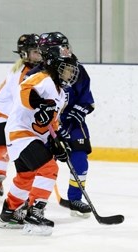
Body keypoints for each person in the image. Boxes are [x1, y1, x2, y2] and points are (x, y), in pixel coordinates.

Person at [0, 44, 80, 236]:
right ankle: (35, 211)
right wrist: (40, 104)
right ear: (54, 65)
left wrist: (57, 140)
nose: (70, 72)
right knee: (49, 169)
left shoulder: (60, 92)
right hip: (21, 133)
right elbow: (24, 90)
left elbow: (52, 120)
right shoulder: (43, 79)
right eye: (66, 67)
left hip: (31, 136)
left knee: (26, 176)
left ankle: (9, 213)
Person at [34, 32, 94, 218]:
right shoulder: (36, 76)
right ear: (50, 53)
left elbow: (87, 101)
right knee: (43, 166)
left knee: (80, 161)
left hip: (72, 124)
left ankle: (75, 199)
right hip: (46, 127)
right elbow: (26, 107)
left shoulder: (77, 69)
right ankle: (36, 203)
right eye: (62, 48)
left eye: (67, 47)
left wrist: (79, 111)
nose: (67, 51)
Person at [0, 33, 42, 202]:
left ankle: (26, 186)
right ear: (24, 53)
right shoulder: (21, 73)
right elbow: (23, 100)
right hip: (3, 112)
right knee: (3, 148)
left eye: (40, 51)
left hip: (16, 113)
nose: (39, 55)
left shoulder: (37, 70)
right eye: (35, 52)